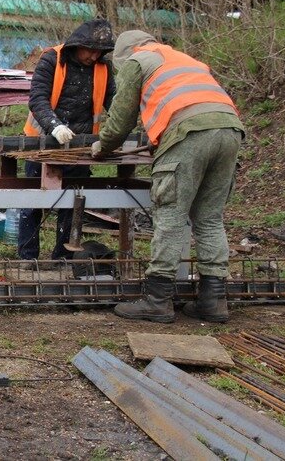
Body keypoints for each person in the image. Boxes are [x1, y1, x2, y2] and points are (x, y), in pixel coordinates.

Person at [91, 30, 244, 323]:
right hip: (230, 130)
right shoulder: (185, 59)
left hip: (189, 134)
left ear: (128, 53)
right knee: (210, 219)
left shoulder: (138, 61)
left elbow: (121, 119)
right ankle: (213, 302)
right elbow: (192, 103)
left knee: (171, 216)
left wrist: (103, 146)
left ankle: (157, 300)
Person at [20, 19, 116, 267]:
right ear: (78, 44)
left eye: (99, 52)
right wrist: (54, 125)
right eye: (90, 50)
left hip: (80, 147)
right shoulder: (52, 59)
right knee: (33, 203)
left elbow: (115, 103)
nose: (94, 56)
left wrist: (121, 128)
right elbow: (38, 97)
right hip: (40, 143)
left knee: (73, 204)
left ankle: (62, 257)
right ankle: (28, 257)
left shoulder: (104, 68)